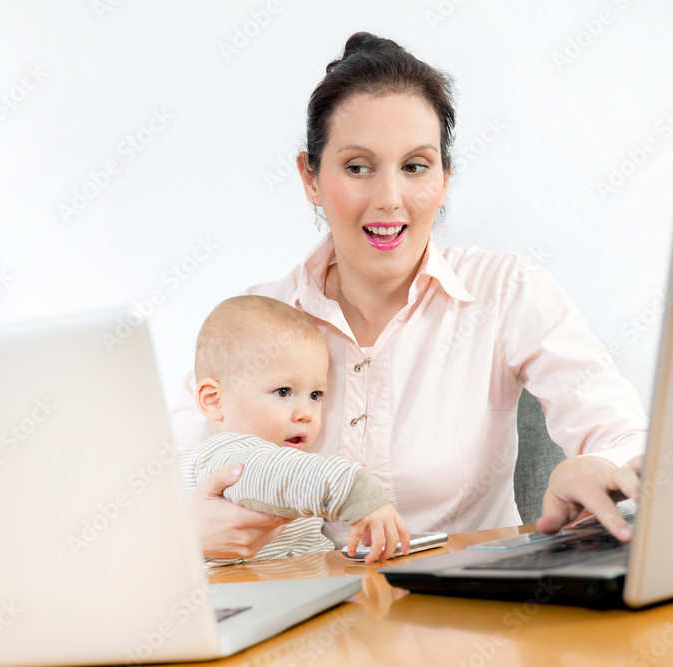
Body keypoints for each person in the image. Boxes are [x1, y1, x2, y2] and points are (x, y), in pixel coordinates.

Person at [174, 32, 647, 560]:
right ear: (310, 176)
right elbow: (159, 478)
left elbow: (624, 433)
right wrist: (177, 533)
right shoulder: (256, 320)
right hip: (305, 620)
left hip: (470, 613)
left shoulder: (505, 291)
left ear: (444, 177)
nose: (389, 198)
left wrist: (602, 467)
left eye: (415, 166)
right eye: (357, 167)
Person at [180, 295, 410, 565]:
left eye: (315, 395)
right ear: (215, 400)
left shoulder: (287, 464)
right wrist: (354, 491)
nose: (305, 414)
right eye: (283, 391)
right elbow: (274, 472)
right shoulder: (225, 457)